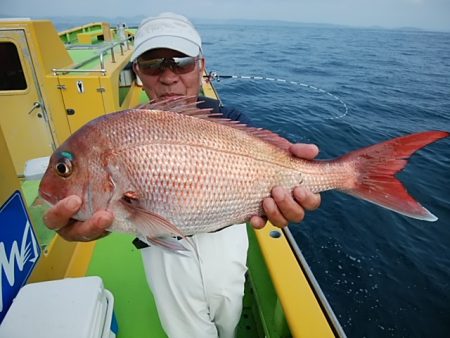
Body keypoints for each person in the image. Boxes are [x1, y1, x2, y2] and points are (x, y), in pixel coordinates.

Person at [43, 12, 321, 338]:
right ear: (138, 75)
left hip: (225, 232)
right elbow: (123, 212)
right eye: (152, 64)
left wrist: (301, 178)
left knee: (228, 309)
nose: (168, 76)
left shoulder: (231, 121)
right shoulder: (115, 131)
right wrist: (84, 219)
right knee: (184, 328)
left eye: (181, 62)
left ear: (200, 66)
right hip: (163, 247)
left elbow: (266, 168)